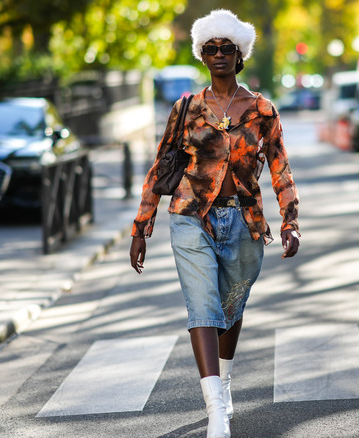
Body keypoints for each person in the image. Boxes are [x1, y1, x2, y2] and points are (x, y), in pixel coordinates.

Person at [128, 9, 300, 438]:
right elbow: (160, 167)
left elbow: (280, 167)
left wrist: (290, 220)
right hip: (190, 217)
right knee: (202, 306)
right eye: (210, 48)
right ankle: (215, 411)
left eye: (227, 48)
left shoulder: (261, 109)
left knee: (231, 306)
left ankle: (223, 379)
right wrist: (141, 225)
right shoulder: (186, 108)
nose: (218, 54)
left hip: (245, 221)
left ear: (240, 54)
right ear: (201, 55)